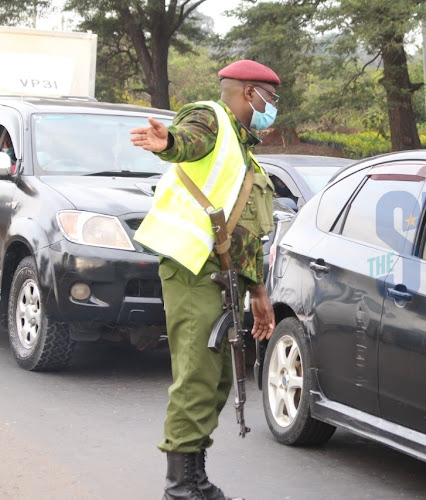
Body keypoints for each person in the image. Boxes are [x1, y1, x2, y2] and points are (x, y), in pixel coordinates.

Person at [130, 59, 280, 500]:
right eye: (271, 98)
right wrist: (168, 142)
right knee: (197, 375)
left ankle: (195, 477)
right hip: (190, 268)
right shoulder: (211, 118)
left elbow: (243, 230)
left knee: (216, 380)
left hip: (219, 273)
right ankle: (180, 488)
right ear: (248, 93)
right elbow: (188, 140)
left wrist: (259, 292)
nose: (274, 107)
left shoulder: (242, 150)